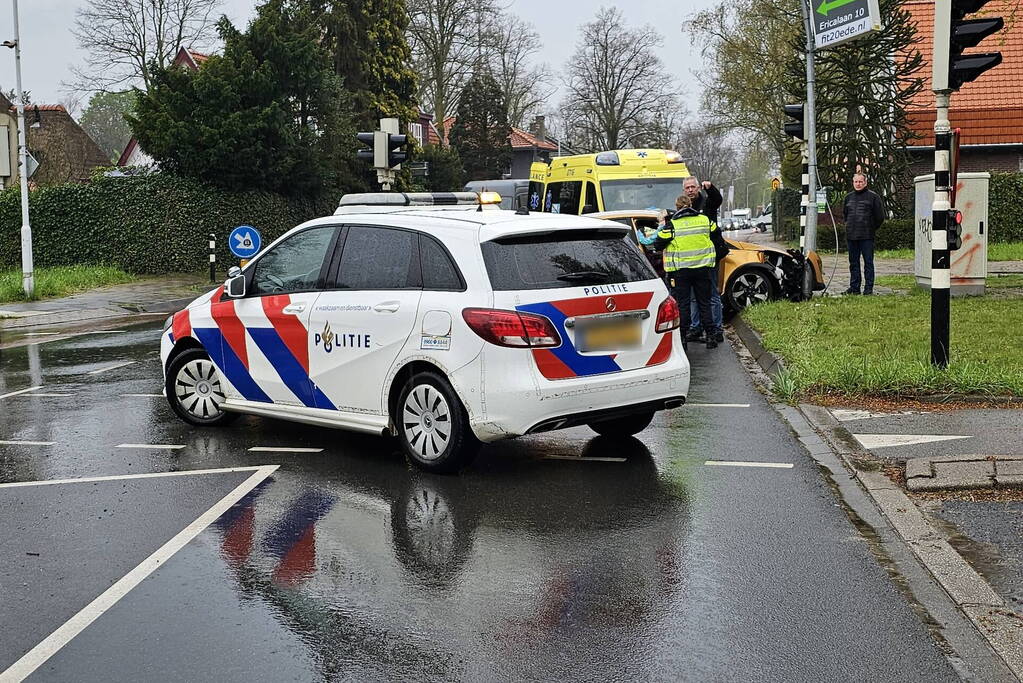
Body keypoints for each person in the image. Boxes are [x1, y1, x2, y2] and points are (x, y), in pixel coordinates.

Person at [655, 193, 721, 350]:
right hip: (703, 269)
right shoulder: (704, 220)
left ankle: (683, 339)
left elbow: (658, 243)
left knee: (683, 305)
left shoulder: (673, 224)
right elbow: (717, 234)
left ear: (677, 207)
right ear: (691, 205)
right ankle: (711, 337)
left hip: (681, 272)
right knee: (704, 303)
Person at [682, 176, 726, 342]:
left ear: (698, 188)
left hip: (709, 256)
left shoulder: (707, 203)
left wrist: (710, 187)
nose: (691, 190)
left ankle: (716, 329)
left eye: (693, 187)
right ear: (684, 190)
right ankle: (696, 327)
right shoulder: (683, 208)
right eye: (687, 188)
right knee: (693, 296)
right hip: (692, 259)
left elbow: (717, 199)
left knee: (712, 294)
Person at [842, 173, 885, 295]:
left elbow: (880, 217)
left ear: (865, 182)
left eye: (860, 182)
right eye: (856, 182)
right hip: (851, 236)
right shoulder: (848, 198)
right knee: (853, 263)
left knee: (868, 263)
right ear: (853, 182)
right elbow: (845, 214)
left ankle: (868, 288)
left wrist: (871, 228)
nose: (858, 184)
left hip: (867, 236)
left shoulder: (873, 197)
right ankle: (854, 288)